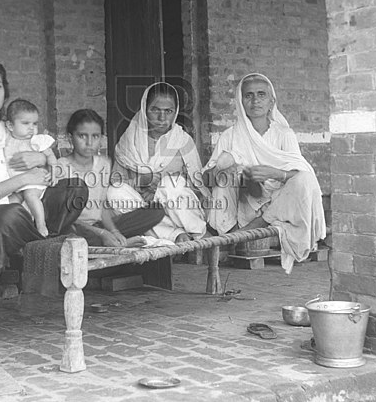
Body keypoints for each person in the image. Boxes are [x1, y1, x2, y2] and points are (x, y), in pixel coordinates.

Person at [0, 58, 88, 283]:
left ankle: (38, 244)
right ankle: (45, 246)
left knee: (76, 188)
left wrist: (40, 158)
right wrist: (22, 179)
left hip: (27, 207)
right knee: (9, 214)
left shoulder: (7, 125)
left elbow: (39, 156)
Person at [203, 73, 326, 273]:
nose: (255, 100)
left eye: (261, 94)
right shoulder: (230, 136)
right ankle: (236, 234)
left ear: (271, 101)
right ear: (240, 101)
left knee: (305, 179)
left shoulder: (284, 134)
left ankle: (252, 229)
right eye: (248, 95)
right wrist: (222, 167)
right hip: (244, 203)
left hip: (280, 205)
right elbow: (207, 182)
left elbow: (302, 175)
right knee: (225, 177)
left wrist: (276, 173)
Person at [110, 82, 210, 242]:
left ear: (175, 112)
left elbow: (198, 187)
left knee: (172, 185)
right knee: (114, 192)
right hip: (144, 210)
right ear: (144, 109)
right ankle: (175, 235)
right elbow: (116, 181)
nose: (162, 118)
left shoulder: (183, 141)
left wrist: (163, 187)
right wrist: (141, 181)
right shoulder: (130, 140)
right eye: (155, 110)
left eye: (168, 111)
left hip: (178, 211)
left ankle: (198, 234)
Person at [56, 109, 165, 247]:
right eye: (82, 136)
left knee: (156, 211)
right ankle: (116, 242)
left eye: (95, 136)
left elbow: (102, 207)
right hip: (76, 228)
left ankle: (116, 241)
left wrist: (114, 231)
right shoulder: (60, 167)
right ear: (70, 137)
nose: (89, 142)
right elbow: (63, 217)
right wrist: (102, 233)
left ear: (101, 139)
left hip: (99, 226)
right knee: (72, 236)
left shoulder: (104, 163)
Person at [4, 99, 58, 237]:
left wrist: (54, 172)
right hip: (16, 184)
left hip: (34, 181)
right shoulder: (5, 139)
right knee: (10, 204)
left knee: (30, 196)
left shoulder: (36, 141)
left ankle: (41, 224)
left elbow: (51, 157)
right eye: (25, 123)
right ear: (10, 125)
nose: (31, 128)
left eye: (35, 124)